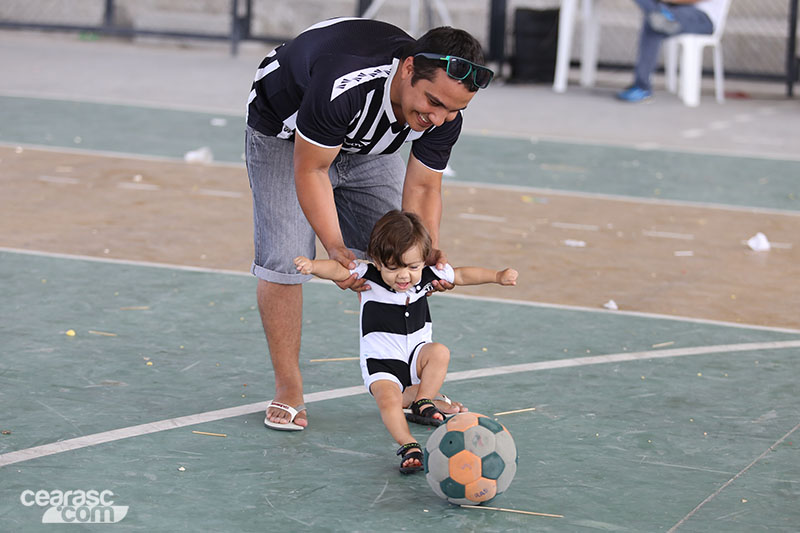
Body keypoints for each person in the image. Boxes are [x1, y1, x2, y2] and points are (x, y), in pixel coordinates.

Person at [245, 18, 495, 431]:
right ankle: (288, 387)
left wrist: (426, 248)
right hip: (286, 137)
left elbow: (424, 187)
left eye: (454, 109)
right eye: (433, 102)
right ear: (409, 68)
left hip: (367, 146)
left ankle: (416, 389)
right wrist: (336, 248)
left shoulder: (444, 114)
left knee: (405, 259)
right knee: (285, 257)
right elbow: (312, 171)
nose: (439, 118)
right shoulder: (344, 83)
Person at [294, 210, 518, 472]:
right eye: (394, 267)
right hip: (382, 363)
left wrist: (497, 276)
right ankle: (409, 445)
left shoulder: (426, 276)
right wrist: (313, 266)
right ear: (377, 261)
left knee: (440, 352)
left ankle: (423, 400)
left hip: (417, 356)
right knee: (389, 401)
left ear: (423, 261)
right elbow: (337, 269)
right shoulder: (369, 276)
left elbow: (462, 275)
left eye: (412, 267)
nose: (404, 276)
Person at [617, 0, 728, 102]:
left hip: (703, 19)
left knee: (654, 23)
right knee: (654, 22)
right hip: (679, 12)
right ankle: (661, 15)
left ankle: (642, 87)